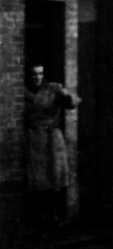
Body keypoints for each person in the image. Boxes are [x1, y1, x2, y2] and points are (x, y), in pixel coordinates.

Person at [24, 63, 78, 226]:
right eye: (34, 74)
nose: (37, 77)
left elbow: (72, 102)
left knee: (55, 176)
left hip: (52, 137)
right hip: (35, 138)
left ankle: (53, 214)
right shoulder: (23, 91)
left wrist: (66, 96)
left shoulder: (53, 88)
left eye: (40, 74)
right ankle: (39, 216)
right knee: (38, 179)